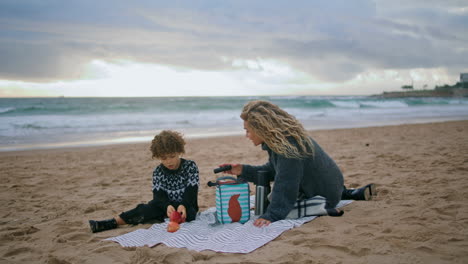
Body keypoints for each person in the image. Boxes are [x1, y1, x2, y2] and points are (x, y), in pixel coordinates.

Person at [221, 100, 375, 228]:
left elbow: (286, 183)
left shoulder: (288, 148)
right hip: (333, 186)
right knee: (273, 199)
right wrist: (242, 170)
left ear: (261, 129)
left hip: (325, 195)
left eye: (248, 130)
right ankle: (351, 194)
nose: (246, 135)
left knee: (276, 202)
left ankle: (320, 206)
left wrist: (272, 214)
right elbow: (275, 171)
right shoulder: (283, 140)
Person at [89, 130, 199, 233]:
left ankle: (162, 217)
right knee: (143, 209)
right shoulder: (158, 171)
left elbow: (192, 191)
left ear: (179, 152)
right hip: (164, 206)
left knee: (189, 215)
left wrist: (183, 205)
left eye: (172, 156)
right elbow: (158, 196)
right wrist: (166, 206)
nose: (169, 161)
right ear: (158, 157)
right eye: (164, 158)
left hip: (186, 205)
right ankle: (111, 222)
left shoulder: (190, 166)